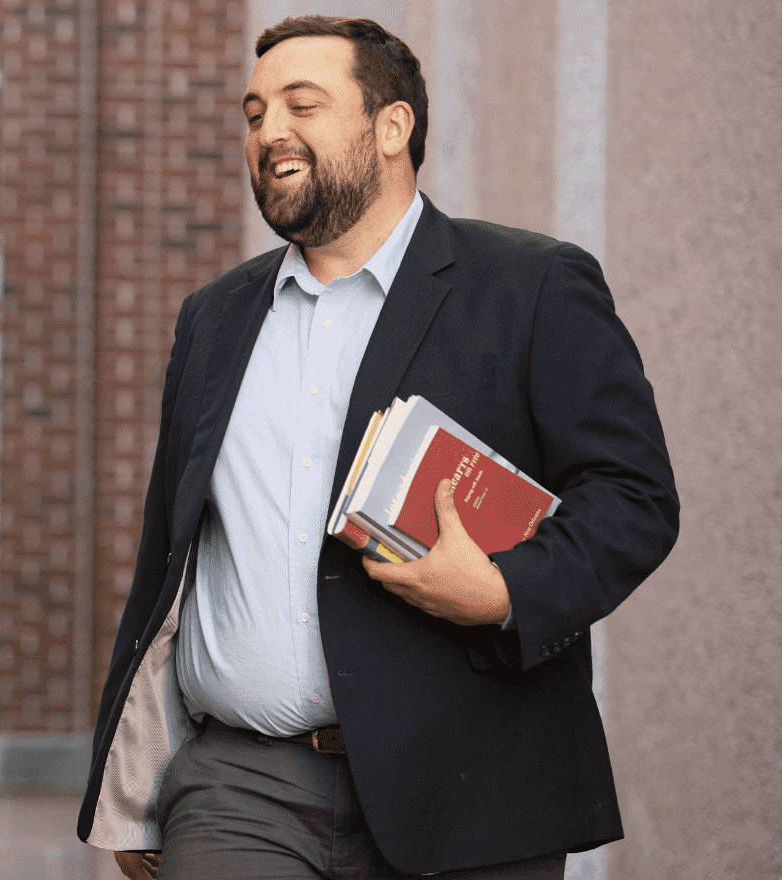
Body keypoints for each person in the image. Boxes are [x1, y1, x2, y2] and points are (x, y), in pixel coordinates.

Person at [78, 15, 678, 880]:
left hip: (472, 781)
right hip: (240, 788)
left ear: (391, 128)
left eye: (302, 104)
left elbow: (634, 496)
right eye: (254, 113)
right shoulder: (213, 318)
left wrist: (505, 590)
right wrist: (137, 785)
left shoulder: (532, 285)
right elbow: (172, 557)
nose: (268, 131)